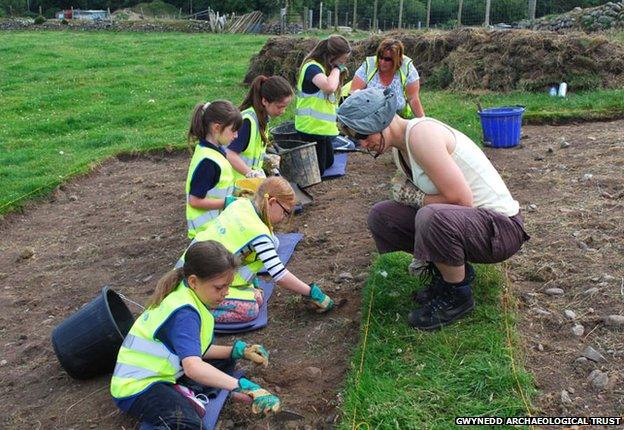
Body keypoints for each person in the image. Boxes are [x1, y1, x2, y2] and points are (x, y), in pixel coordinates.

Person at [336, 88, 529, 330]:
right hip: (475, 224)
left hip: (500, 229)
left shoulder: (421, 135)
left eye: (364, 135)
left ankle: (457, 296)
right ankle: (450, 273)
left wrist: (415, 197)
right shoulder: (399, 148)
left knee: (431, 216)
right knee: (382, 216)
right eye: (357, 139)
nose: (363, 144)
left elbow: (461, 201)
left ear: (380, 121)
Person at [111, 241, 281, 430]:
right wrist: (242, 385)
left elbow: (196, 351)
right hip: (138, 387)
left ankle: (183, 392)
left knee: (225, 361)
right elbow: (193, 367)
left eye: (228, 286)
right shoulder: (185, 313)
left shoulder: (188, 293)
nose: (225, 293)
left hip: (166, 370)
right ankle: (181, 396)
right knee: (189, 425)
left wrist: (238, 351)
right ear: (193, 281)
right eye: (219, 287)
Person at [177, 176, 334, 323]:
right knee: (250, 308)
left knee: (257, 296)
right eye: (285, 212)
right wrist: (310, 292)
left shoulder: (241, 204)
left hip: (190, 268)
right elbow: (279, 275)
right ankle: (198, 310)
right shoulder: (258, 233)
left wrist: (252, 281)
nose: (284, 218)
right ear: (272, 202)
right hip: (198, 282)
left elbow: (241, 252)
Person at [185, 100, 243, 239]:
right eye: (233, 131)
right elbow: (194, 201)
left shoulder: (214, 151)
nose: (236, 136)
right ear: (217, 128)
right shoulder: (209, 162)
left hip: (218, 229)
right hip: (207, 235)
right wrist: (228, 202)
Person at [295, 35, 351, 175]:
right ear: (332, 56)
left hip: (322, 130)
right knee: (317, 170)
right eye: (342, 60)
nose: (343, 63)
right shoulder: (312, 68)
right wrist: (337, 69)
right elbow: (329, 87)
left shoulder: (323, 68)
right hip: (310, 129)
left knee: (329, 162)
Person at [226, 75, 294, 180]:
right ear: (264, 101)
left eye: (285, 107)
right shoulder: (247, 122)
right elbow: (230, 154)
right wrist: (251, 174)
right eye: (280, 107)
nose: (283, 111)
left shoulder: (262, 119)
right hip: (234, 185)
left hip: (245, 186)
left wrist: (266, 159)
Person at [349, 38, 425, 119]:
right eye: (380, 57)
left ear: (397, 59)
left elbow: (413, 98)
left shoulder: (407, 68)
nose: (382, 62)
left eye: (387, 59)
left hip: (396, 117)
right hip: (369, 116)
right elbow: (354, 92)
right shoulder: (369, 65)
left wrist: (422, 121)